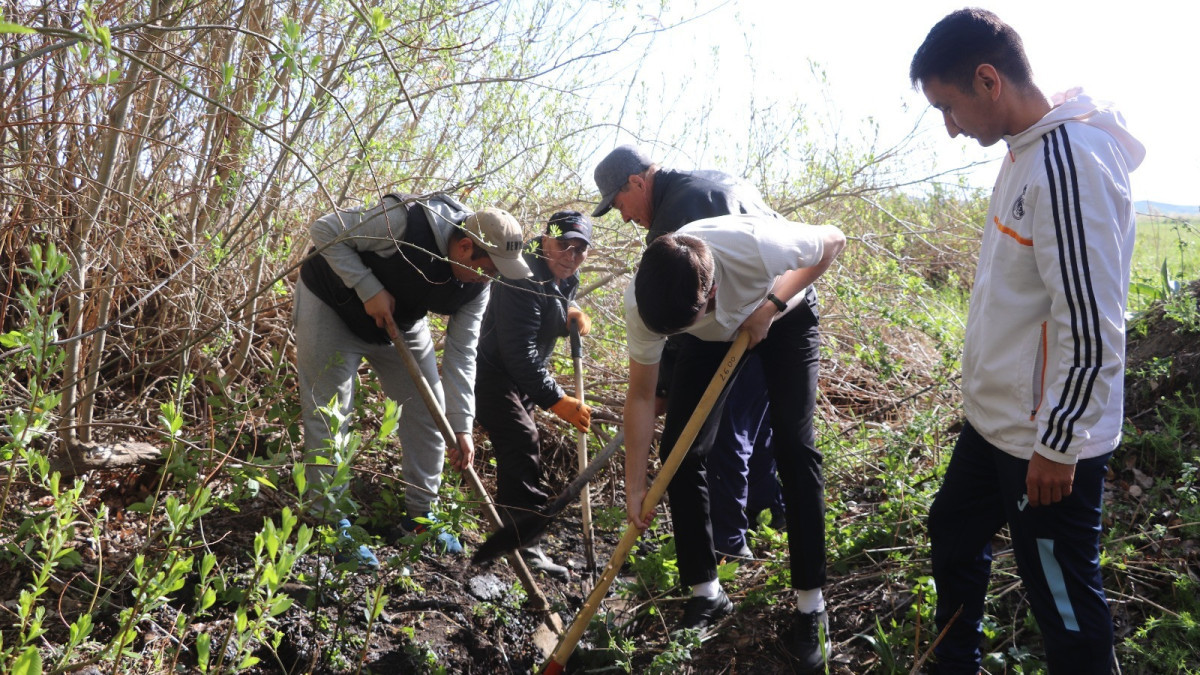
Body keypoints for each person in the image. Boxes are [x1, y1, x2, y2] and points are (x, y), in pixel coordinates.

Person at [909, 9, 1144, 673]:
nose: (950, 127)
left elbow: (1093, 322)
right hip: (997, 427)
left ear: (989, 80)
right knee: (953, 531)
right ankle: (954, 662)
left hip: (1045, 438)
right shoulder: (1025, 149)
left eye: (948, 107)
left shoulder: (1069, 164)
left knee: (1062, 598)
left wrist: (1059, 444)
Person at [623, 215, 845, 672]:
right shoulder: (648, 300)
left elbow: (833, 241)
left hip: (785, 311)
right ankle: (706, 593)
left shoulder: (757, 246)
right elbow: (642, 395)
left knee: (794, 449)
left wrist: (771, 306)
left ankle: (811, 603)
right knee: (680, 454)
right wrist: (635, 485)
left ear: (711, 293)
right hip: (708, 337)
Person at [294, 192, 532, 568]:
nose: (490, 278)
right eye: (489, 268)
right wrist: (368, 288)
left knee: (429, 410)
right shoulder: (403, 221)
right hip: (331, 305)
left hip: (400, 322)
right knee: (330, 413)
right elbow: (324, 229)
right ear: (465, 247)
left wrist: (462, 426)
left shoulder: (479, 287)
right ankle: (330, 524)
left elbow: (462, 354)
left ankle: (420, 519)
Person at [593, 145, 786, 558]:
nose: (624, 217)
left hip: (744, 326)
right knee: (755, 427)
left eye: (619, 204)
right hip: (779, 315)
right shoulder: (709, 181)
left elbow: (681, 317)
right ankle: (769, 523)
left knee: (721, 437)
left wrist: (664, 386)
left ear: (636, 182)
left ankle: (728, 547)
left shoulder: (676, 219)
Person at [475, 211, 595, 580]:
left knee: (521, 447)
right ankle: (525, 547)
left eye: (580, 249)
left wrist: (570, 309)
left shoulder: (563, 274)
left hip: (520, 379)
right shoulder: (521, 277)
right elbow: (519, 352)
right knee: (522, 439)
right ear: (545, 240)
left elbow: (549, 308)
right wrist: (557, 399)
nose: (571, 256)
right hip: (492, 374)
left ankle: (513, 538)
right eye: (564, 245)